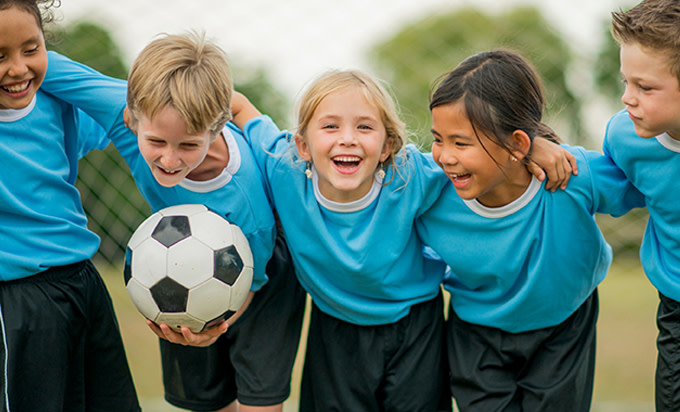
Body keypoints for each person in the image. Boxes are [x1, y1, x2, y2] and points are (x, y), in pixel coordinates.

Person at [233, 67, 577, 411]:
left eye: (365, 126)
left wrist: (534, 146)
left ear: (388, 147)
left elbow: (480, 154)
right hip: (335, 328)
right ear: (303, 146)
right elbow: (238, 106)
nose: (348, 138)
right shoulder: (282, 166)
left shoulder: (409, 175)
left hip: (415, 328)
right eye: (330, 126)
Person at [40, 33, 306, 412]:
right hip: (174, 258)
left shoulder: (244, 201)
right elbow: (41, 64)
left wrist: (208, 330)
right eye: (157, 142)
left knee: (258, 402)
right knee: (203, 401)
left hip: (259, 276)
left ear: (216, 130)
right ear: (133, 118)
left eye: (188, 145)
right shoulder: (124, 111)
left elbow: (250, 282)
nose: (169, 159)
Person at [415, 49, 646, 411]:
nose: (444, 155)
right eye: (438, 139)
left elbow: (647, 183)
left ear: (517, 143)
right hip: (477, 333)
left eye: (460, 142)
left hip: (563, 325)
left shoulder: (571, 174)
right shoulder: (427, 186)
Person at [0, 0, 141, 411]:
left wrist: (55, 68)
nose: (18, 69)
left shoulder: (56, 104)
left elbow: (130, 109)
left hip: (84, 284)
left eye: (31, 48)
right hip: (18, 305)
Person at [605, 1, 680, 410]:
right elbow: (609, 185)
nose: (626, 97)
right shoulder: (624, 136)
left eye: (644, 87)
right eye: (626, 82)